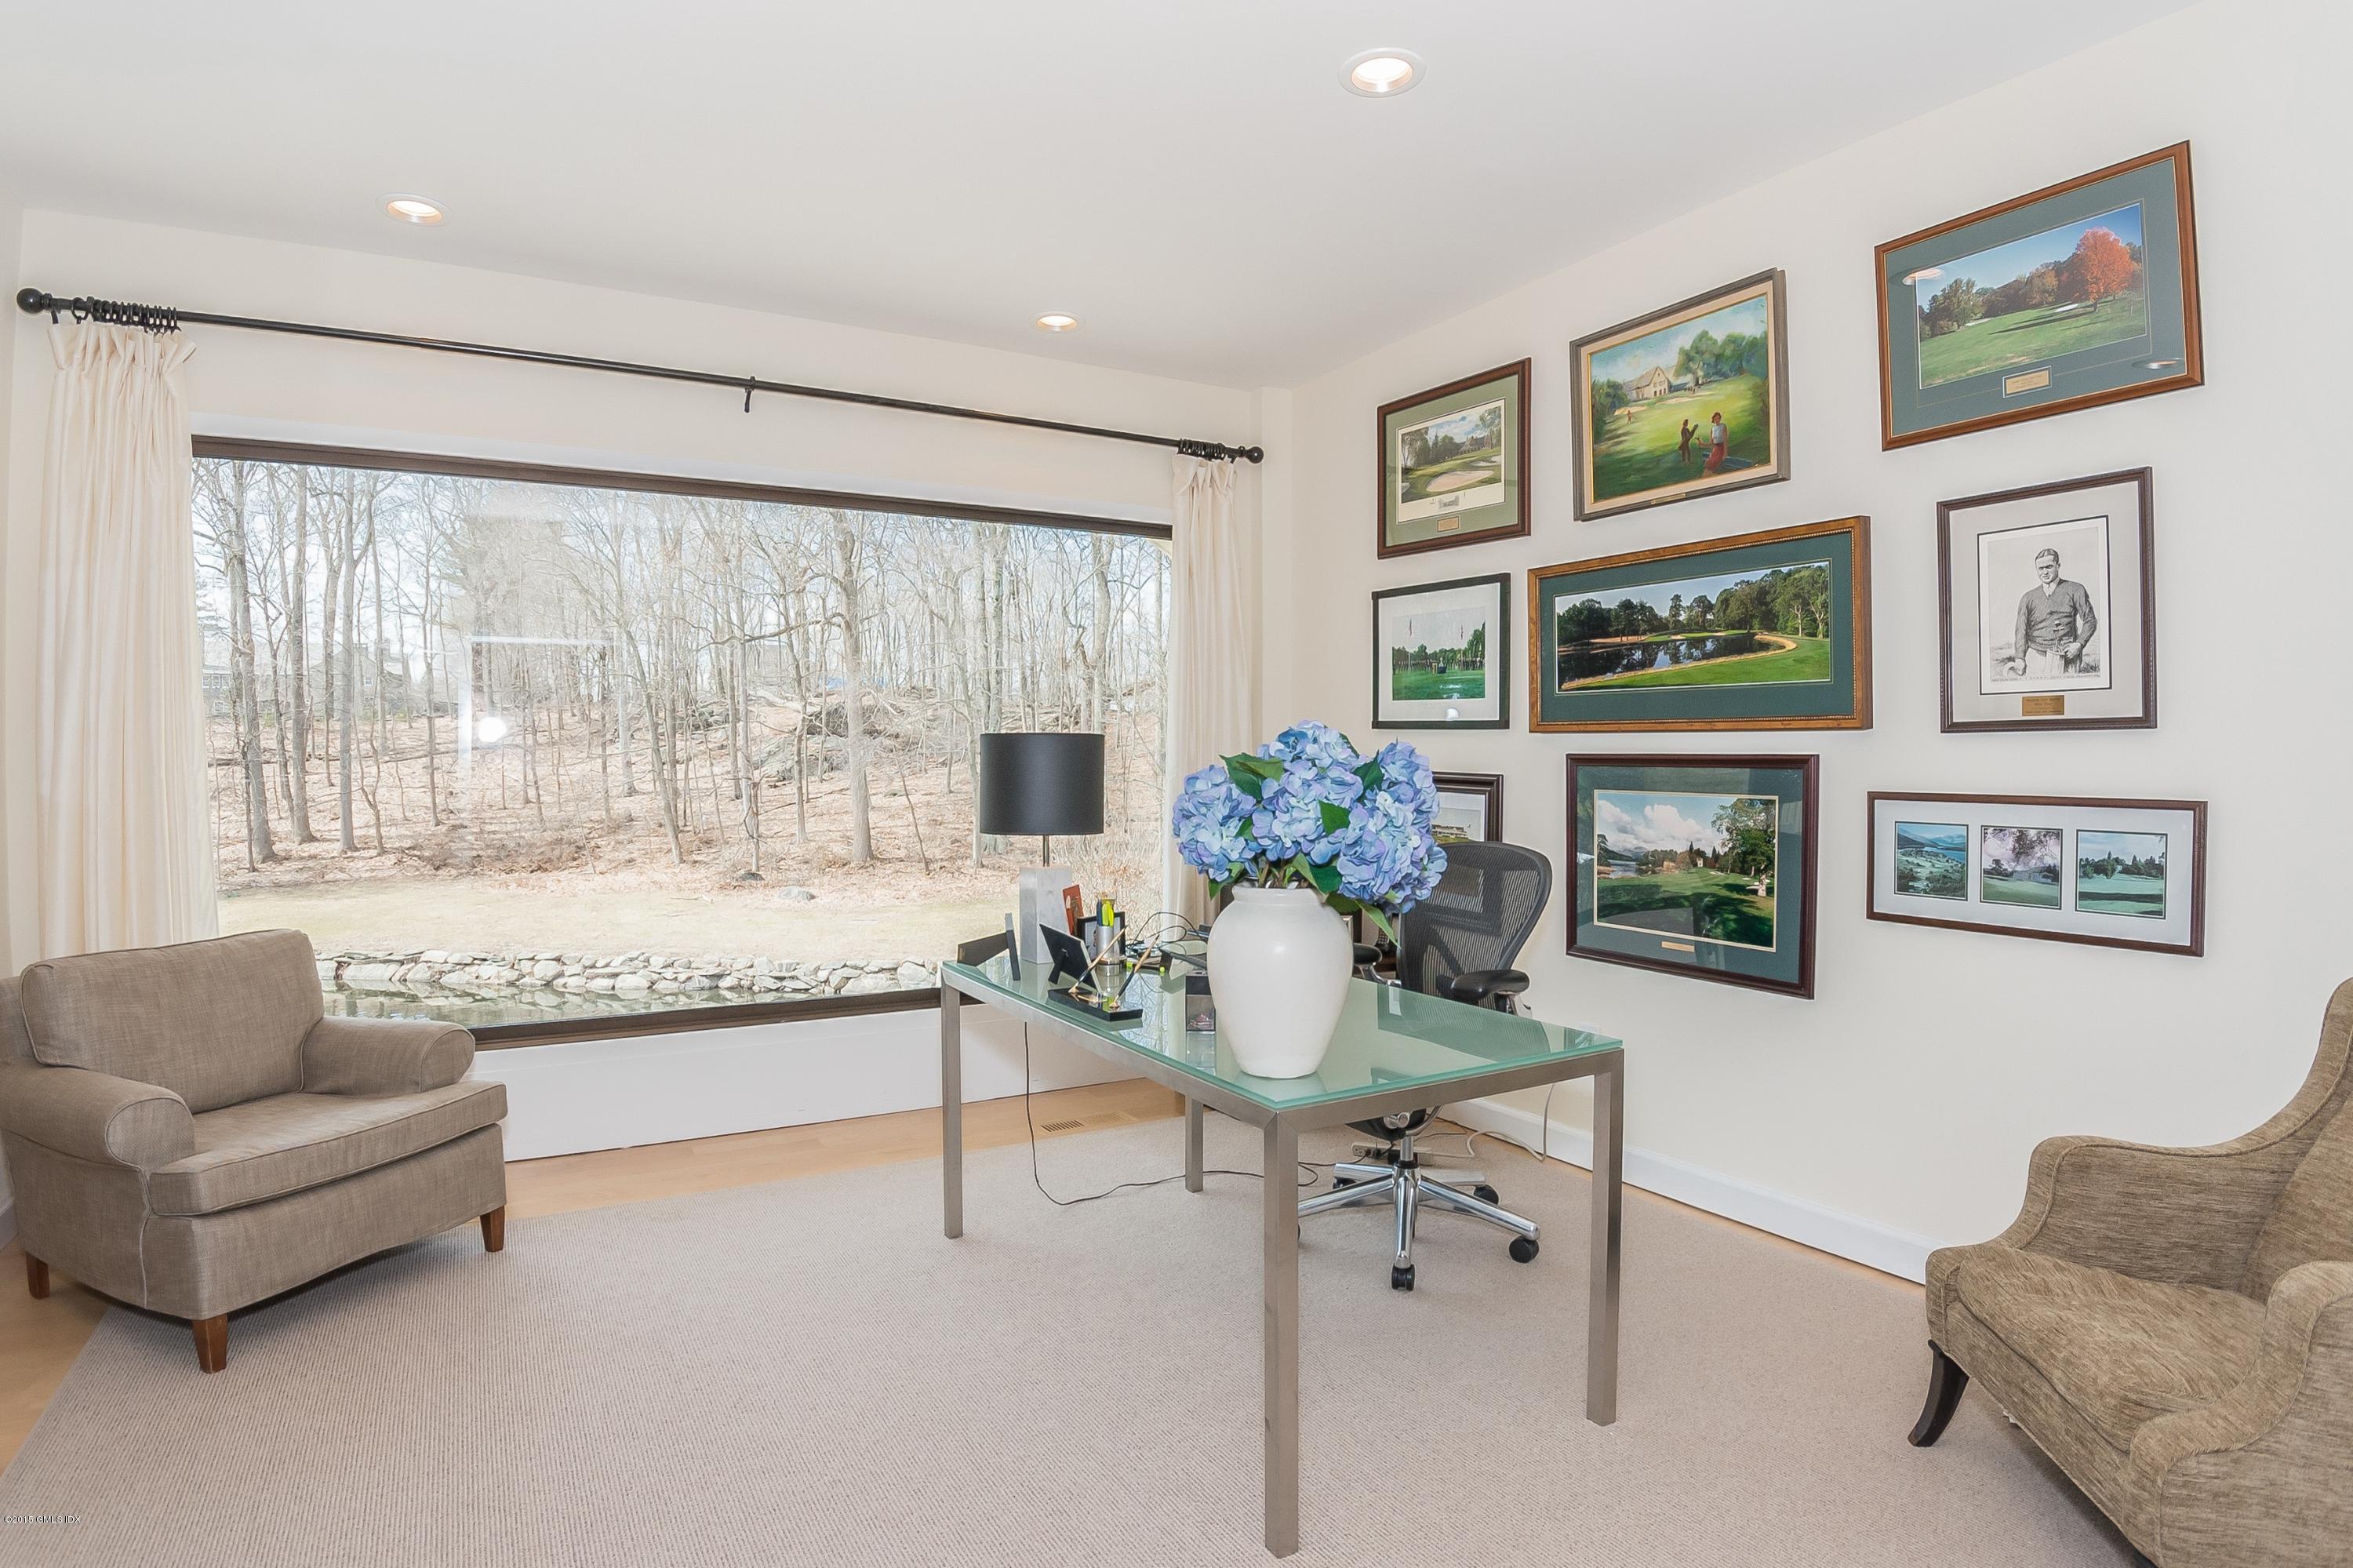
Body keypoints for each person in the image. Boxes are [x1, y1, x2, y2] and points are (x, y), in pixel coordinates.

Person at [2005, 547, 2097, 679]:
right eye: (2041, 568)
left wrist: (2079, 644)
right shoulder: (2028, 598)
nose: (2045, 572)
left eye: (2049, 567)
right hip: (2037, 656)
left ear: (2058, 566)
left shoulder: (2075, 589)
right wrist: (2020, 658)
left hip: (2068, 655)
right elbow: (2021, 630)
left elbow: (2090, 620)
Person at [1701, 411, 1728, 475]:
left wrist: (1725, 453)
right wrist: (1702, 444)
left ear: (1720, 419)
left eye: (1718, 419)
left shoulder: (1723, 426)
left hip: (1721, 449)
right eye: (1715, 419)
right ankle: (1704, 477)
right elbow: (1711, 444)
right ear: (1713, 419)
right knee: (1707, 466)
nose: (1717, 420)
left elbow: (1725, 440)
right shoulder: (1713, 429)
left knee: (1712, 466)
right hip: (1715, 450)